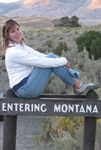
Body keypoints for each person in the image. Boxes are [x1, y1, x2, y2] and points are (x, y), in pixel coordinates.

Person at [2, 19, 100, 98]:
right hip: (23, 89)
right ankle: (78, 85)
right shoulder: (13, 52)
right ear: (7, 35)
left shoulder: (21, 46)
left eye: (18, 29)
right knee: (49, 61)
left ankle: (77, 84)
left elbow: (41, 56)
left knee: (51, 58)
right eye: (13, 31)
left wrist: (60, 60)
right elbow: (39, 62)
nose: (17, 33)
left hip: (28, 84)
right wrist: (62, 61)